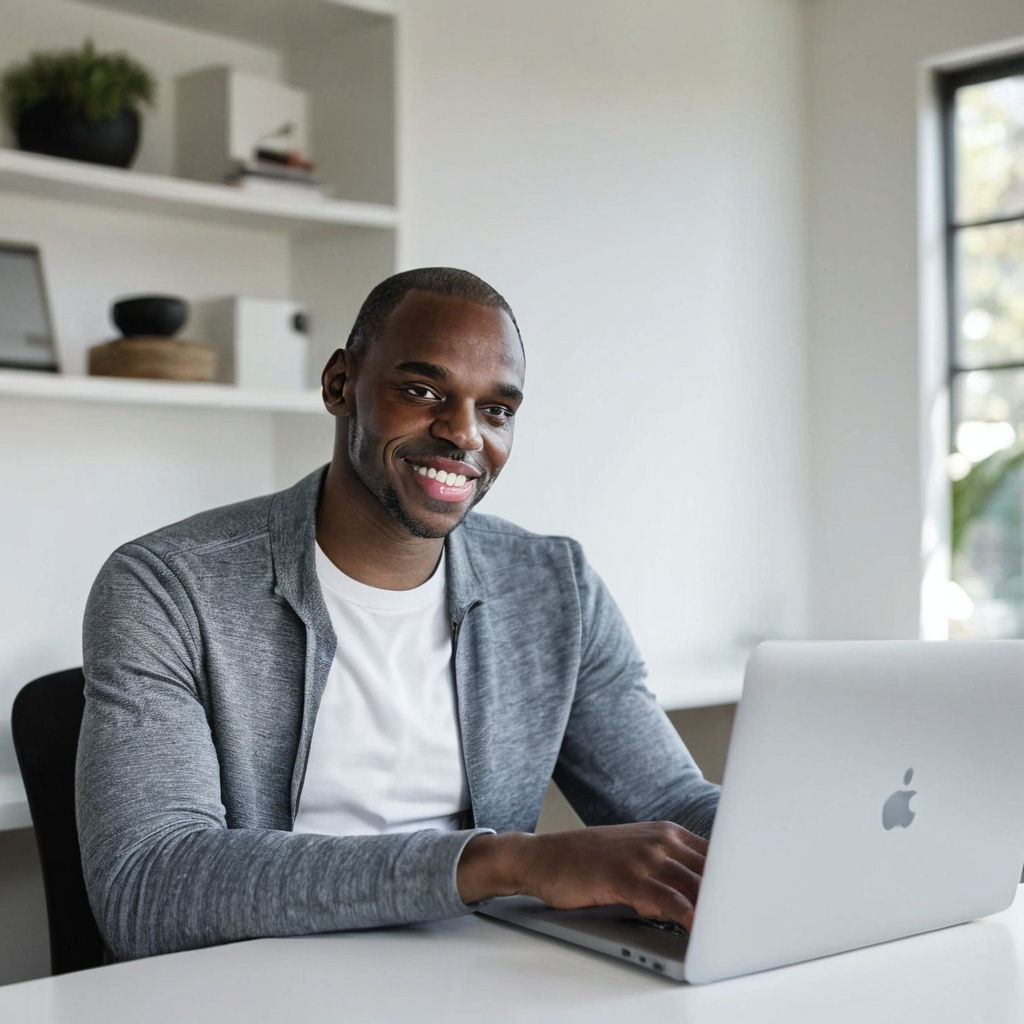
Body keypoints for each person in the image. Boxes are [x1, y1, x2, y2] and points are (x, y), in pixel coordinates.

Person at [77, 267, 720, 961]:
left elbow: (669, 802)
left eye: (497, 410)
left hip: (477, 982)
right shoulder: (168, 587)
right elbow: (148, 887)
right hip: (255, 982)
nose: (464, 434)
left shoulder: (554, 588)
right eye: (421, 391)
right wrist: (504, 864)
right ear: (339, 385)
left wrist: (804, 839)